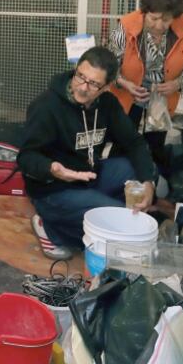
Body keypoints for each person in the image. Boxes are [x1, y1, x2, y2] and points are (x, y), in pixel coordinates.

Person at [19, 46, 157, 260]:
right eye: (80, 77)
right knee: (120, 220)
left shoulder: (108, 104)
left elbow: (134, 142)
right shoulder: (46, 106)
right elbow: (26, 158)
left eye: (93, 84)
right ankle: (49, 227)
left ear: (106, 87)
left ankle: (91, 216)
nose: (83, 88)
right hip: (53, 189)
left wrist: (149, 182)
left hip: (88, 175)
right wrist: (52, 169)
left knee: (131, 172)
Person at [108, 0, 183, 174]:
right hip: (129, 96)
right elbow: (109, 65)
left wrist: (178, 83)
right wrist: (123, 82)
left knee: (157, 148)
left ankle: (153, 191)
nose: (159, 25)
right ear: (145, 11)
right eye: (153, 18)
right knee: (122, 144)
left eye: (166, 20)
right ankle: (119, 190)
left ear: (174, 16)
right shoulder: (126, 26)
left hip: (162, 100)